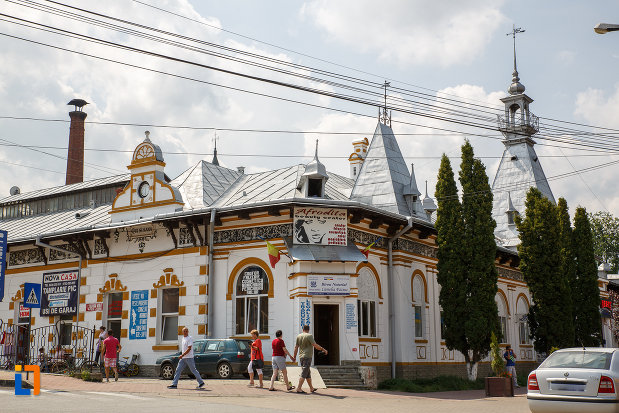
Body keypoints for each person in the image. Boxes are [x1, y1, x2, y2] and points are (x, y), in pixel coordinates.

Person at [293, 325, 327, 394]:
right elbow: (315, 345)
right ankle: (299, 388)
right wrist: (323, 349)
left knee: (307, 373)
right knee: (304, 372)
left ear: (303, 329)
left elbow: (296, 347)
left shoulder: (299, 336)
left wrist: (294, 357)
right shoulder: (309, 336)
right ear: (308, 329)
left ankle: (311, 388)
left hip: (301, 357)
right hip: (307, 356)